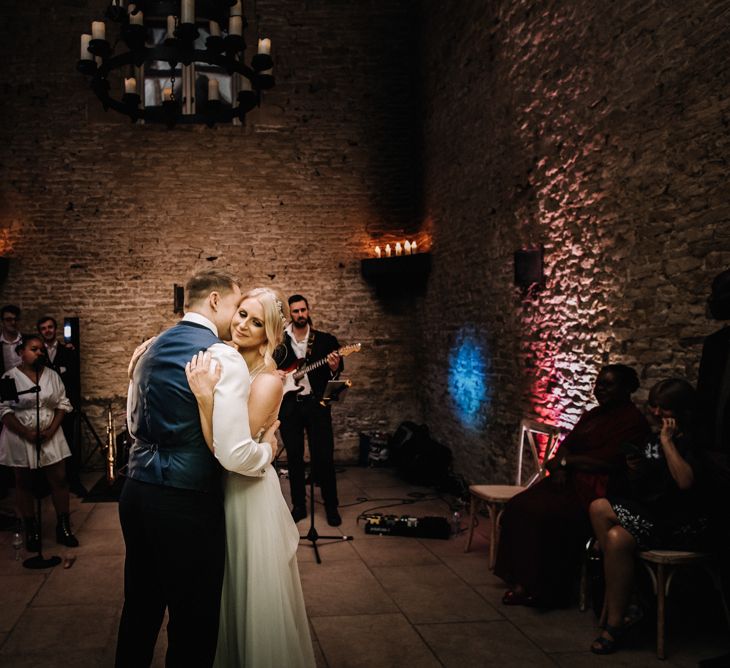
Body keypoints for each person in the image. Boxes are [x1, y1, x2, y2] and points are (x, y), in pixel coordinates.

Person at [115, 269, 279, 668]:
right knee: (193, 621)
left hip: (135, 490)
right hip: (184, 501)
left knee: (140, 607)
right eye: (236, 307)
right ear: (216, 302)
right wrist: (269, 451)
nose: (237, 320)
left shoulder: (149, 348)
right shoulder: (222, 357)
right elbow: (235, 454)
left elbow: (133, 420)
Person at [186, 287, 316, 668]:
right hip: (219, 492)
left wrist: (205, 400)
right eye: (241, 313)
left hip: (247, 495)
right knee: (224, 594)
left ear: (270, 335)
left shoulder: (267, 381)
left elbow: (228, 453)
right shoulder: (222, 357)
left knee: (252, 598)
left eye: (256, 322)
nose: (242, 325)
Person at [494, 364, 650, 608]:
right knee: (518, 506)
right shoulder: (593, 415)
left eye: (608, 385)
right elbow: (569, 444)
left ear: (626, 389)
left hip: (597, 487)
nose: (601, 389)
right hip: (569, 479)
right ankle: (521, 579)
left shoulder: (632, 422)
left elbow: (608, 460)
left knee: (543, 515)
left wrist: (567, 461)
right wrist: (561, 465)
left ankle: (541, 587)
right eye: (599, 384)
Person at [588, 379, 709, 655]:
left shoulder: (694, 440)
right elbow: (647, 490)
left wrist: (668, 443)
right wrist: (635, 469)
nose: (655, 414)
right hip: (656, 516)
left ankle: (623, 604)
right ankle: (620, 620)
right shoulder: (652, 440)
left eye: (663, 409)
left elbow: (685, 482)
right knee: (616, 538)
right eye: (654, 406)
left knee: (599, 508)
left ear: (681, 410)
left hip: (683, 524)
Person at [0, 334, 78, 550]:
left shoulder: (51, 375)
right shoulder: (10, 378)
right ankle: (31, 529)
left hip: (50, 433)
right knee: (23, 482)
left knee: (59, 479)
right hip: (20, 435)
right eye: (34, 349)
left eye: (42, 350)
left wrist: (52, 429)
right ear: (21, 352)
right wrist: (25, 432)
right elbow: (4, 410)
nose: (39, 353)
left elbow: (63, 403)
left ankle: (63, 527)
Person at [276, 294, 343, 526]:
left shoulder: (325, 340)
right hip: (290, 407)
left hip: (317, 406)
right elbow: (269, 368)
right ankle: (299, 506)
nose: (300, 315)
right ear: (290, 314)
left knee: (323, 457)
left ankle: (332, 506)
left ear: (308, 310)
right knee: (293, 458)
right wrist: (278, 376)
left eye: (303, 310)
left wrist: (333, 367)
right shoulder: (279, 341)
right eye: (295, 311)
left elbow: (337, 373)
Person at [37, 316, 86, 497]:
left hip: (64, 406)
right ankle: (44, 486)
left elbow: (73, 379)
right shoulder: (38, 353)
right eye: (43, 328)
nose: (47, 330)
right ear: (40, 332)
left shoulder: (67, 350)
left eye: (50, 327)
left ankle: (73, 482)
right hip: (44, 408)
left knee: (69, 445)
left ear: (55, 329)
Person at [0, 304, 22, 375]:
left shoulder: (28, 341)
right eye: (8, 320)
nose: (13, 322)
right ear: (2, 322)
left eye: (16, 319)